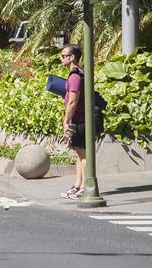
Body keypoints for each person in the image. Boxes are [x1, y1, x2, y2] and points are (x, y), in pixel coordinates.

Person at [61, 45, 87, 199]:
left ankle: (84, 187)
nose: (61, 58)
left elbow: (73, 102)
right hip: (78, 119)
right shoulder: (76, 74)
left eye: (64, 56)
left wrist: (66, 121)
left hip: (79, 120)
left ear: (72, 57)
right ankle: (77, 185)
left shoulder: (75, 76)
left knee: (83, 154)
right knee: (78, 153)